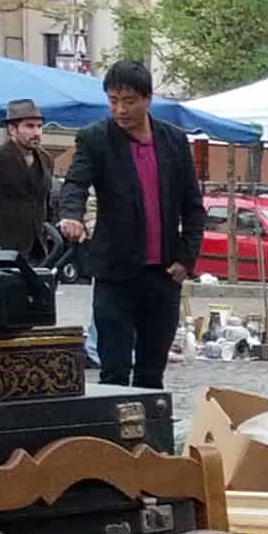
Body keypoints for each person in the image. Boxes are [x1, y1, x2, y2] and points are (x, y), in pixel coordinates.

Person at [58, 58, 206, 389]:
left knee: (152, 370)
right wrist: (71, 214)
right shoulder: (95, 138)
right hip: (115, 272)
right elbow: (76, 183)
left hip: (163, 273)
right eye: (113, 101)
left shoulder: (173, 141)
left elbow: (193, 208)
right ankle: (114, 436)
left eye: (129, 101)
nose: (120, 110)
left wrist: (186, 258)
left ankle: (150, 436)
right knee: (114, 368)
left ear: (147, 99)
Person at [0, 99, 53, 261]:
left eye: (40, 126)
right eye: (30, 126)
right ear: (12, 129)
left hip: (38, 247)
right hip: (4, 246)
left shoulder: (46, 159)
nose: (37, 132)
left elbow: (46, 201)